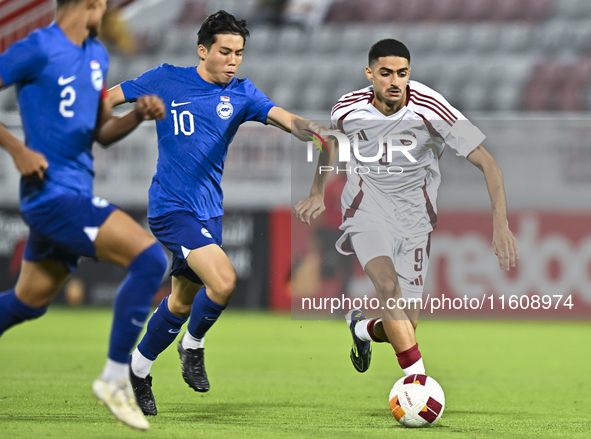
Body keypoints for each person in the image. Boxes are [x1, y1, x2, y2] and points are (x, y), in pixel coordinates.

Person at [108, 10, 327, 416]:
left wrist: (311, 128)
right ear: (202, 50)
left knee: (179, 302)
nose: (233, 60)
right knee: (223, 282)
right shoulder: (165, 78)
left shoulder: (242, 93)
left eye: (239, 53)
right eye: (225, 51)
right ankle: (192, 345)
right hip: (171, 209)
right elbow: (110, 98)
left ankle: (136, 371)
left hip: (208, 213)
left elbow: (285, 119)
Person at [294, 39, 519, 378]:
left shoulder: (432, 109)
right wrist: (317, 191)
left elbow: (490, 165)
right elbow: (330, 142)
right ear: (370, 74)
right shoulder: (346, 109)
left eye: (402, 74)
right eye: (386, 73)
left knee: (406, 325)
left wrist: (500, 225)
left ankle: (362, 330)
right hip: (366, 212)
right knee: (387, 287)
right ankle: (418, 383)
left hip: (415, 222)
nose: (394, 81)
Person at [0, 0, 167, 431]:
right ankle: (115, 378)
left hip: (74, 191)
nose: (108, 11)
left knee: (28, 303)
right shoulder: (36, 47)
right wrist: (18, 149)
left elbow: (102, 133)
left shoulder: (96, 54)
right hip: (50, 196)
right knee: (149, 260)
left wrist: (136, 117)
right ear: (89, 3)